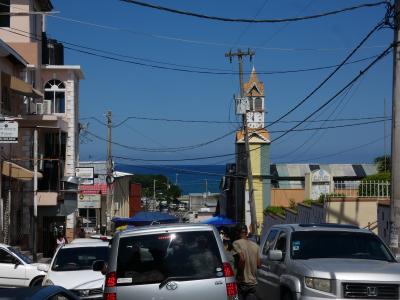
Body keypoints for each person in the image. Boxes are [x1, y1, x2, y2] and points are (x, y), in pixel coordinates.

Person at [232, 225, 261, 300]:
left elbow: (242, 259)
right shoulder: (256, 246)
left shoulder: (236, 243)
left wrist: (240, 275)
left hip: (242, 283)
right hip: (253, 284)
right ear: (247, 233)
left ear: (238, 233)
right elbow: (258, 264)